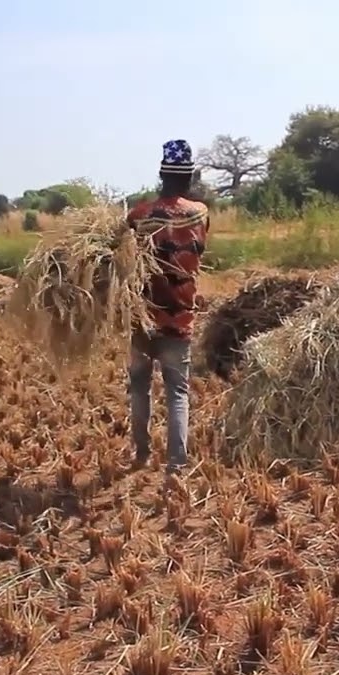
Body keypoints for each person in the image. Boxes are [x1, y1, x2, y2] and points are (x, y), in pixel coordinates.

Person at [124, 139, 210, 476]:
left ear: (161, 174)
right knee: (178, 392)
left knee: (139, 386)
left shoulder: (139, 215)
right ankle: (177, 464)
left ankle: (142, 452)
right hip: (179, 315)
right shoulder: (200, 214)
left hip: (141, 317)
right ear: (188, 177)